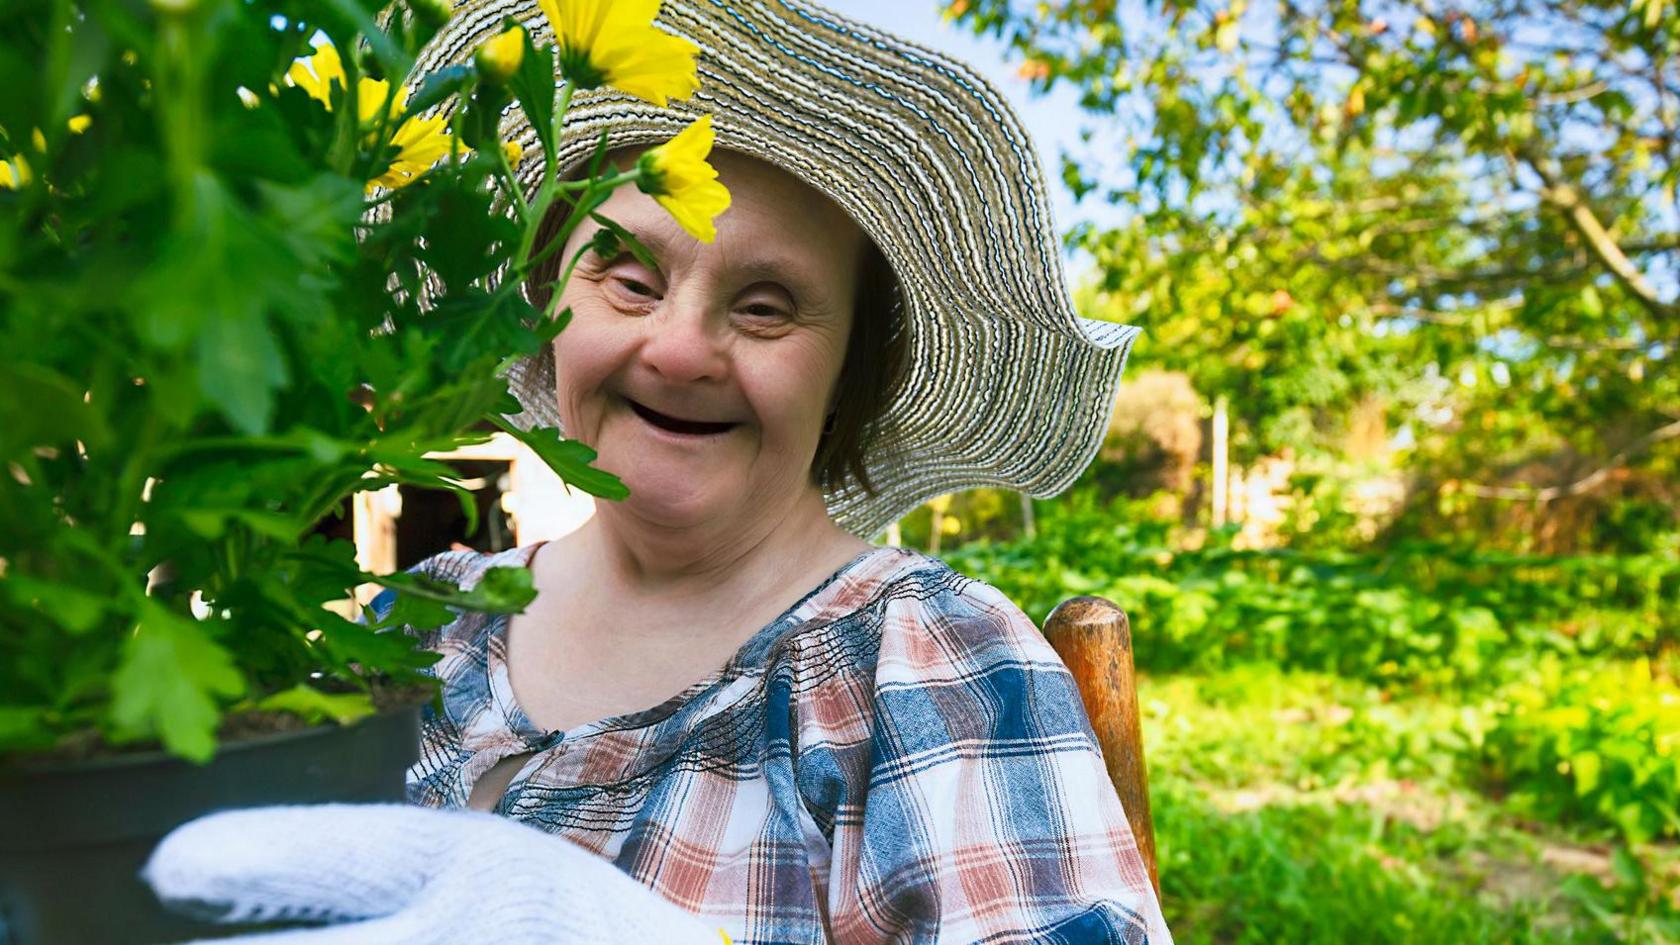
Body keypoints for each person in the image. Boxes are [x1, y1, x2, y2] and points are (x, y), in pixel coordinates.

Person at [143, 1, 1169, 942]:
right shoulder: (415, 628)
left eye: (766, 305)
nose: (681, 351)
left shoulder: (923, 667)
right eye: (629, 278)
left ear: (850, 368)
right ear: (544, 306)